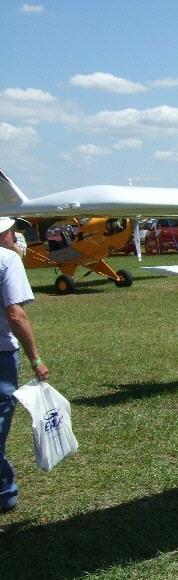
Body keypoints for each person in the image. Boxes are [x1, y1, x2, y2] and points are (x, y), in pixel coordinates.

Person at [1, 216, 49, 514]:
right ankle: (4, 493)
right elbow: (15, 314)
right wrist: (36, 359)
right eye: (13, 232)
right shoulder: (7, 261)